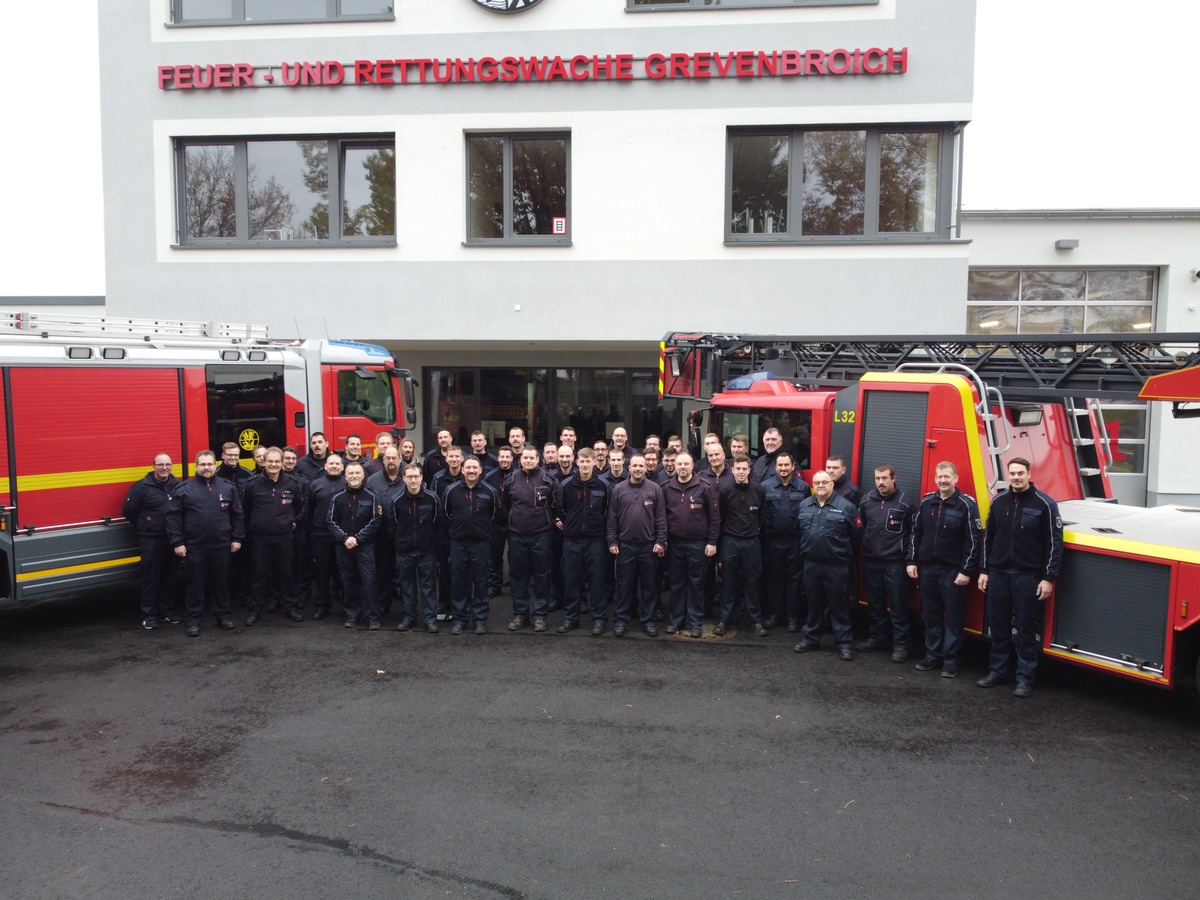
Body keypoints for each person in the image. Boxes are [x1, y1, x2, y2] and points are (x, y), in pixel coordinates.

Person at [977, 458, 1063, 698]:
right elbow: (989, 538)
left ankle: (1024, 679)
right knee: (999, 626)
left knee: (1025, 629)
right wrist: (984, 571)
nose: (1015, 477)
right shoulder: (998, 501)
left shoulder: (1045, 504)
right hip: (998, 575)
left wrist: (1048, 578)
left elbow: (1054, 545)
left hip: (1027, 577)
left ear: (1029, 474)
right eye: (1012, 473)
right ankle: (997, 672)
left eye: (1020, 473)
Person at [906, 461, 982, 677]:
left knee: (954, 618)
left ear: (956, 478)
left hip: (953, 572)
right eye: (939, 476)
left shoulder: (966, 505)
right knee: (931, 615)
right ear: (935, 479)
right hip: (928, 569)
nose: (943, 480)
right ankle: (932, 655)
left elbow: (973, 541)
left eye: (947, 476)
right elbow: (915, 533)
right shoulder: (926, 503)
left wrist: (966, 571)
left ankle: (951, 660)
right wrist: (911, 561)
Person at [166, 450, 244, 637]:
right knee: (195, 584)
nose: (207, 468)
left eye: (210, 464)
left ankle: (223, 616)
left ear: (215, 465)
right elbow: (173, 518)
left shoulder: (227, 487)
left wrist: (236, 538)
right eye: (203, 464)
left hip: (221, 545)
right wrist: (177, 542)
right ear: (196, 466)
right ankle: (193, 621)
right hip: (195, 546)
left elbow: (238, 515)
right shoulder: (183, 489)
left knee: (221, 583)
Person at [793, 471, 862, 660]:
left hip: (836, 566)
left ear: (832, 484)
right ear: (813, 485)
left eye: (825, 482)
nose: (821, 485)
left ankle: (845, 644)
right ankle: (811, 638)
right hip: (811, 564)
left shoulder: (847, 507)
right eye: (817, 482)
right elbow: (799, 532)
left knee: (838, 606)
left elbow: (856, 537)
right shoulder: (804, 506)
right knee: (813, 605)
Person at [857, 464, 916, 661]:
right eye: (877, 478)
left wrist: (909, 560)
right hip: (872, 562)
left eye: (884, 478)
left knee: (898, 606)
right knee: (875, 604)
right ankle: (877, 638)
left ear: (893, 478)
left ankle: (901, 645)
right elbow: (863, 525)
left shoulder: (906, 503)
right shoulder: (866, 500)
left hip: (895, 564)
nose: (880, 482)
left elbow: (914, 533)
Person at [240, 447, 306, 625]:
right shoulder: (252, 484)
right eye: (270, 461)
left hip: (285, 537)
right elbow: (245, 510)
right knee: (258, 576)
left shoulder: (293, 483)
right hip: (260, 539)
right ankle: (254, 611)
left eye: (277, 461)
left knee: (287, 574)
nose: (274, 465)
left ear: (282, 462)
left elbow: (302, 506)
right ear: (264, 462)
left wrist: (295, 521)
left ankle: (290, 608)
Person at [606, 453, 667, 637]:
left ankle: (648, 621)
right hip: (626, 546)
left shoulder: (655, 489)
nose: (639, 469)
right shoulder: (619, 489)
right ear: (629, 467)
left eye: (641, 466)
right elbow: (612, 518)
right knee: (624, 586)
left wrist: (661, 540)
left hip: (649, 547)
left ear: (646, 468)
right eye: (635, 466)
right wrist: (612, 540)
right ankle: (621, 620)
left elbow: (661, 518)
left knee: (649, 586)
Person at [662, 452, 719, 638]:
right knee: (676, 584)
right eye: (680, 464)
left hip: (698, 544)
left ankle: (695, 623)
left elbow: (714, 518)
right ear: (675, 466)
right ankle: (677, 620)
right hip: (674, 544)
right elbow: (661, 518)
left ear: (693, 465)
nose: (683, 467)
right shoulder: (666, 488)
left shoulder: (705, 487)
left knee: (696, 584)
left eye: (686, 463)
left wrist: (712, 542)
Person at [555, 447, 611, 634]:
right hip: (572, 541)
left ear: (594, 462)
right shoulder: (567, 485)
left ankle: (599, 619)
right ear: (576, 462)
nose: (585, 464)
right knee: (571, 581)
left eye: (589, 461)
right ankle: (571, 618)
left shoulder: (603, 486)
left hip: (595, 542)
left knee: (597, 581)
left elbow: (608, 512)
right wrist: (569, 526)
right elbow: (561, 510)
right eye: (582, 461)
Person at [124, 453, 182, 629]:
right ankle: (148, 615)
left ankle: (166, 611)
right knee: (151, 577)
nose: (164, 468)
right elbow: (129, 511)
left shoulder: (178, 486)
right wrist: (147, 524)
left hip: (172, 539)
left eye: (168, 464)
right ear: (153, 466)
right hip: (150, 540)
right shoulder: (141, 487)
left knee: (169, 577)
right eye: (160, 464)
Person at [502, 446, 557, 632]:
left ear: (538, 459)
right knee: (518, 577)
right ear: (520, 459)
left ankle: (540, 616)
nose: (528, 460)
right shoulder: (510, 480)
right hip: (517, 536)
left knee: (542, 576)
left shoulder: (548, 480)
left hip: (541, 535)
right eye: (525, 457)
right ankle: (520, 615)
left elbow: (555, 505)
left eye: (531, 457)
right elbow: (505, 504)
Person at [442, 457, 499, 635]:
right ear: (463, 470)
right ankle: (460, 619)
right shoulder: (451, 491)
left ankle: (480, 620)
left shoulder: (490, 491)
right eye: (468, 468)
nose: (472, 470)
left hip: (481, 544)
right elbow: (444, 515)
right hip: (458, 543)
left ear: (480, 470)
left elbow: (496, 515)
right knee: (459, 582)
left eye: (475, 467)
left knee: (481, 581)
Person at [328, 460, 383, 629]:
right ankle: (352, 614)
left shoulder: (372, 496)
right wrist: (345, 538)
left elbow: (376, 520)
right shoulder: (337, 497)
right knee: (348, 581)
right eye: (350, 473)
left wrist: (358, 539)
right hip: (344, 547)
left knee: (369, 582)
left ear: (363, 475)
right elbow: (330, 521)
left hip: (365, 547)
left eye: (357, 473)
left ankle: (373, 617)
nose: (354, 476)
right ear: (345, 476)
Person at [716, 458, 767, 636]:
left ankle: (756, 621)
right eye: (738, 468)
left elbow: (761, 516)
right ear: (733, 470)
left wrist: (752, 531)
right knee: (728, 583)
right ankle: (724, 620)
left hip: (752, 542)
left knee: (753, 582)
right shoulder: (725, 491)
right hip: (731, 541)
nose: (740, 472)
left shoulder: (759, 490)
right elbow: (721, 516)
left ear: (749, 470)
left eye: (744, 468)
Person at [390, 463, 441, 634]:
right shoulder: (396, 500)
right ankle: (409, 618)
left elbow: (438, 522)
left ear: (421, 478)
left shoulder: (432, 498)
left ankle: (430, 620)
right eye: (409, 477)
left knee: (428, 587)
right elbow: (393, 524)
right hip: (404, 551)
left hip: (427, 551)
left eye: (416, 476)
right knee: (407, 587)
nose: (413, 480)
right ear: (403, 478)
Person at [761, 452, 808, 632]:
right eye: (779, 465)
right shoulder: (765, 487)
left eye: (786, 465)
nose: (782, 468)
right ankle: (774, 614)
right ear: (775, 467)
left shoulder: (803, 488)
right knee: (774, 578)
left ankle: (792, 617)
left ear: (792, 466)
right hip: (772, 541)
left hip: (795, 542)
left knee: (794, 580)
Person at [366, 446, 406, 618]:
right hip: (380, 535)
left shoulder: (408, 477)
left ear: (400, 459)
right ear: (382, 460)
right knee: (382, 572)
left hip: (403, 535)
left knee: (405, 572)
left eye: (394, 458)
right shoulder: (373, 480)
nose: (391, 461)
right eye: (387, 458)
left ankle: (408, 607)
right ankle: (383, 604)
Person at [305, 454, 346, 620]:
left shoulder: (348, 483)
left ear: (342, 467)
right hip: (321, 535)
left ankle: (347, 605)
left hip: (343, 536)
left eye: (338, 463)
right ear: (326, 466)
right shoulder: (316, 485)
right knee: (321, 573)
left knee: (343, 572)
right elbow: (310, 508)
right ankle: (322, 606)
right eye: (331, 463)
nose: (335, 466)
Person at [484, 445, 515, 598]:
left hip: (514, 523)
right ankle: (494, 585)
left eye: (507, 457)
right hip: (496, 522)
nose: (504, 459)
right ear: (498, 458)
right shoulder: (490, 477)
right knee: (494, 556)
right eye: (501, 457)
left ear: (511, 458)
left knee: (515, 556)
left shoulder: (518, 476)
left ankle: (515, 585)